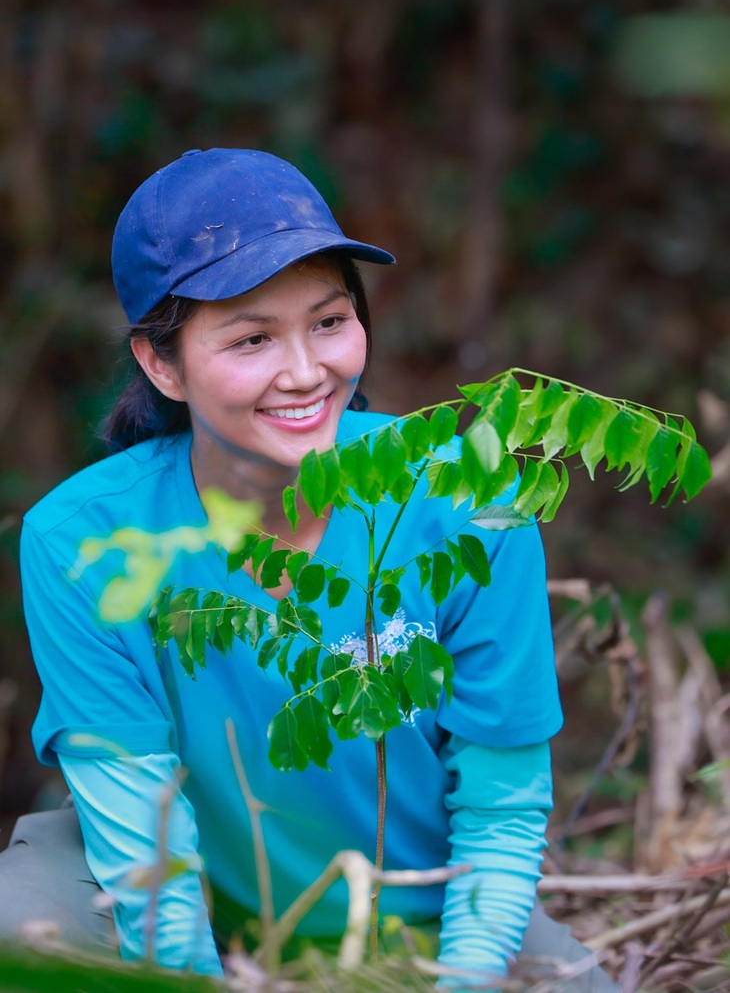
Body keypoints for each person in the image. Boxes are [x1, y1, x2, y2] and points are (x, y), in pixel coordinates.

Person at [4, 148, 619, 991]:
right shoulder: (84, 540)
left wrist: (464, 979)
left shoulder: (465, 493)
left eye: (329, 322)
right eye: (252, 338)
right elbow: (144, 848)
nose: (305, 372)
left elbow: (501, 810)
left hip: (415, 908)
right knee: (20, 933)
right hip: (165, 903)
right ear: (161, 363)